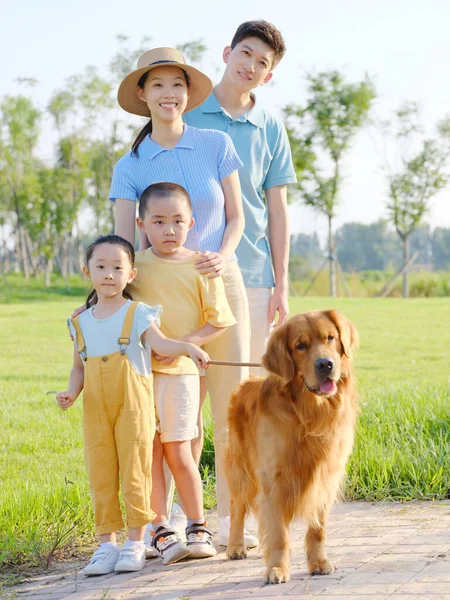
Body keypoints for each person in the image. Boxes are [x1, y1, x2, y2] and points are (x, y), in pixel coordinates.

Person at [110, 47, 257, 548]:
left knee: (232, 406)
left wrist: (221, 253)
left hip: (219, 281)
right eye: (158, 85)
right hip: (161, 296)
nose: (169, 94)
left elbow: (237, 217)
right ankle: (171, 523)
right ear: (142, 95)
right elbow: (125, 243)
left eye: (177, 84)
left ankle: (236, 521)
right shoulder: (131, 162)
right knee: (175, 418)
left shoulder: (215, 143)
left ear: (188, 93)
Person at [56, 234, 210, 576]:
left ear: (131, 275)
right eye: (100, 267)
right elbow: (78, 367)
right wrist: (71, 392)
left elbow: (163, 344)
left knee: (137, 470)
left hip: (134, 410)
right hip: (96, 410)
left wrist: (189, 349)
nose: (108, 274)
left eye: (117, 267)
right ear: (87, 271)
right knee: (101, 471)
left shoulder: (137, 313)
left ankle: (135, 542)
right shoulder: (80, 322)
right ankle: (106, 544)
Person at [131, 181, 237, 564]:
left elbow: (219, 321)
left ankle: (197, 525)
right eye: (159, 222)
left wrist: (182, 346)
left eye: (177, 221)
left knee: (179, 449)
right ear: (142, 224)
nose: (169, 229)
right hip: (140, 376)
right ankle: (160, 530)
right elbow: (108, 302)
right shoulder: (134, 268)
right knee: (150, 451)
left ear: (191, 222)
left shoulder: (202, 266)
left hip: (183, 375)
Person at [184, 20, 297, 375]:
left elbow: (277, 211)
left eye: (262, 63)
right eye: (245, 53)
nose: (250, 65)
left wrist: (281, 284)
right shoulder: (187, 113)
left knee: (249, 388)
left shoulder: (271, 127)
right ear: (227, 53)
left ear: (268, 76)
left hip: (252, 273)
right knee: (187, 384)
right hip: (187, 267)